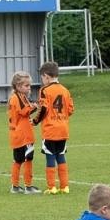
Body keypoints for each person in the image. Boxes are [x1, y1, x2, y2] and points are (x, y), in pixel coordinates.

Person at [32, 61, 74, 195]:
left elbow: (43, 108)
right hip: (63, 129)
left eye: (42, 78)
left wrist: (35, 121)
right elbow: (71, 109)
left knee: (50, 157)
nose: (42, 81)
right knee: (61, 156)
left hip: (50, 129)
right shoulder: (65, 90)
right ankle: (65, 186)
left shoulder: (44, 90)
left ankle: (52, 187)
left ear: (46, 76)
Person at [6, 71, 39, 194]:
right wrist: (35, 106)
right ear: (18, 86)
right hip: (23, 135)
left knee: (18, 160)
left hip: (16, 134)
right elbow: (24, 111)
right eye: (27, 85)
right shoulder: (17, 98)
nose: (29, 88)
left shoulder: (18, 97)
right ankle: (28, 187)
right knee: (28, 159)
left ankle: (15, 186)